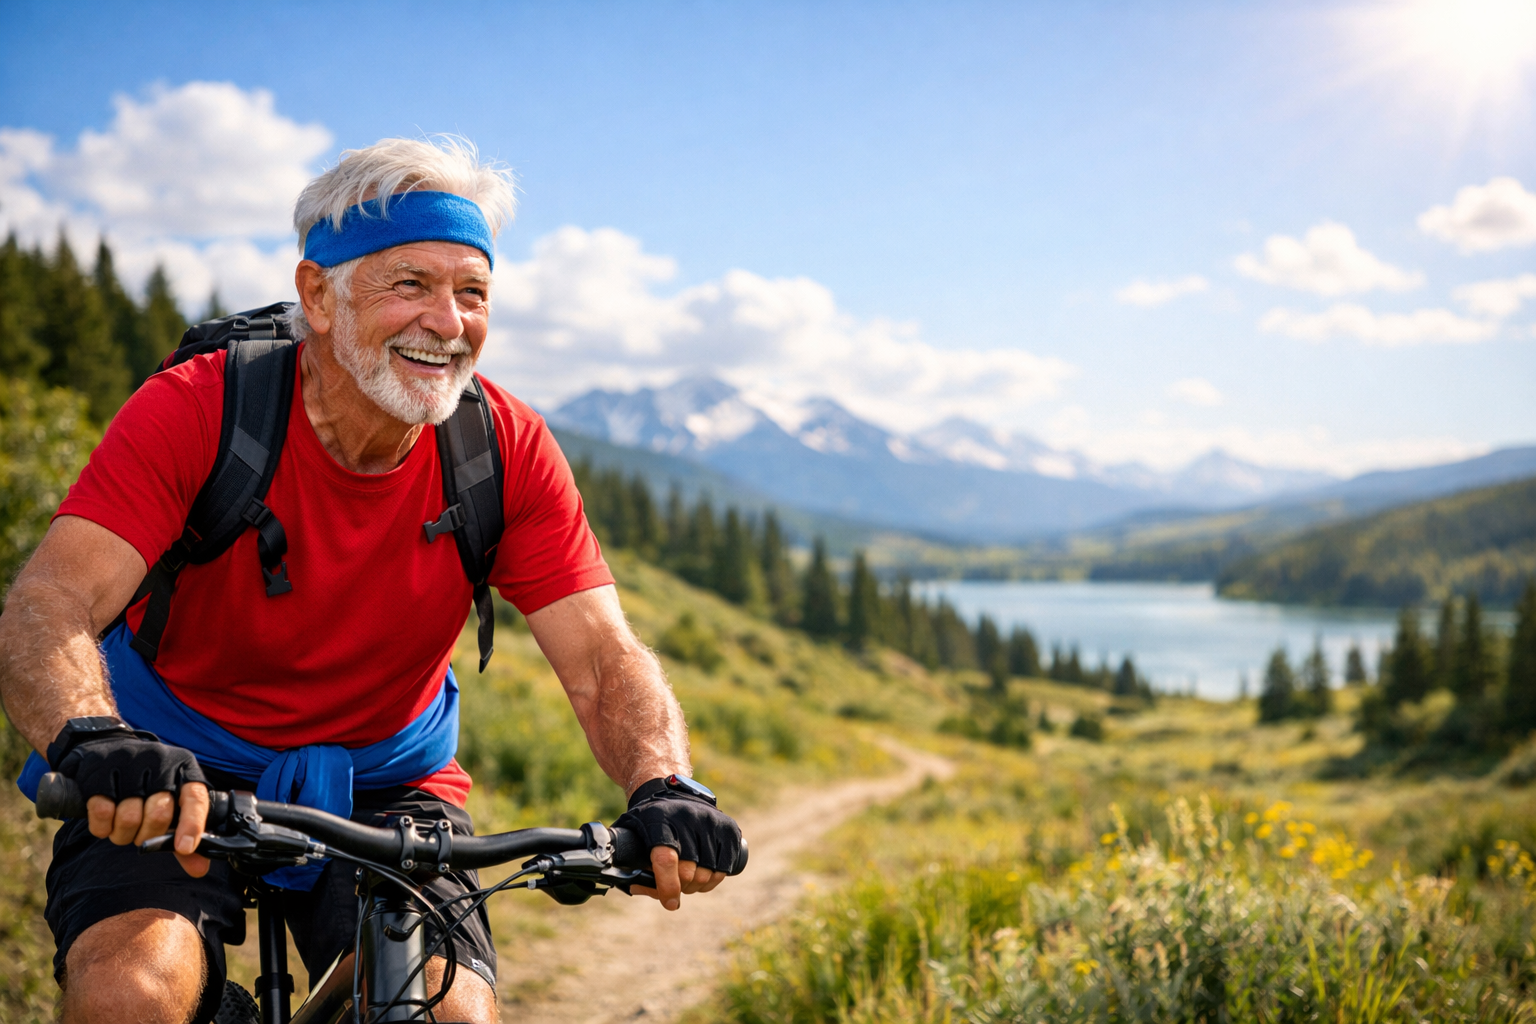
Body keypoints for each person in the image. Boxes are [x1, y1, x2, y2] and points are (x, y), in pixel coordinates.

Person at [0, 137, 742, 1024]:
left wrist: (665, 784)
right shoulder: (200, 408)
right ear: (319, 296)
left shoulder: (501, 450)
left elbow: (601, 656)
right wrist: (91, 737)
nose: (448, 322)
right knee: (129, 995)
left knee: (445, 1013)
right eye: (411, 284)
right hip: (163, 764)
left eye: (473, 293)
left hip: (388, 783)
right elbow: (50, 602)